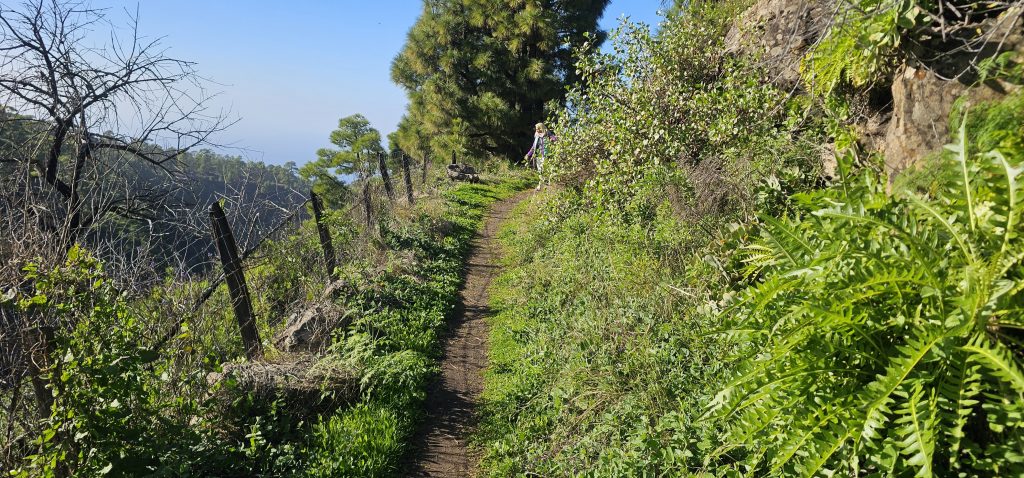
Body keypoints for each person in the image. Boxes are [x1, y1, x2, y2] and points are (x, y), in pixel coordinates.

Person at [525, 122, 556, 189]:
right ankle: (542, 184)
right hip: (538, 156)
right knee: (540, 171)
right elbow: (533, 147)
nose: (537, 130)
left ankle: (544, 184)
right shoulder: (536, 136)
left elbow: (555, 138)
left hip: (546, 155)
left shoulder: (547, 134)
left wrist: (552, 139)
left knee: (544, 169)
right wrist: (528, 154)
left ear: (542, 128)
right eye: (536, 129)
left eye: (538, 128)